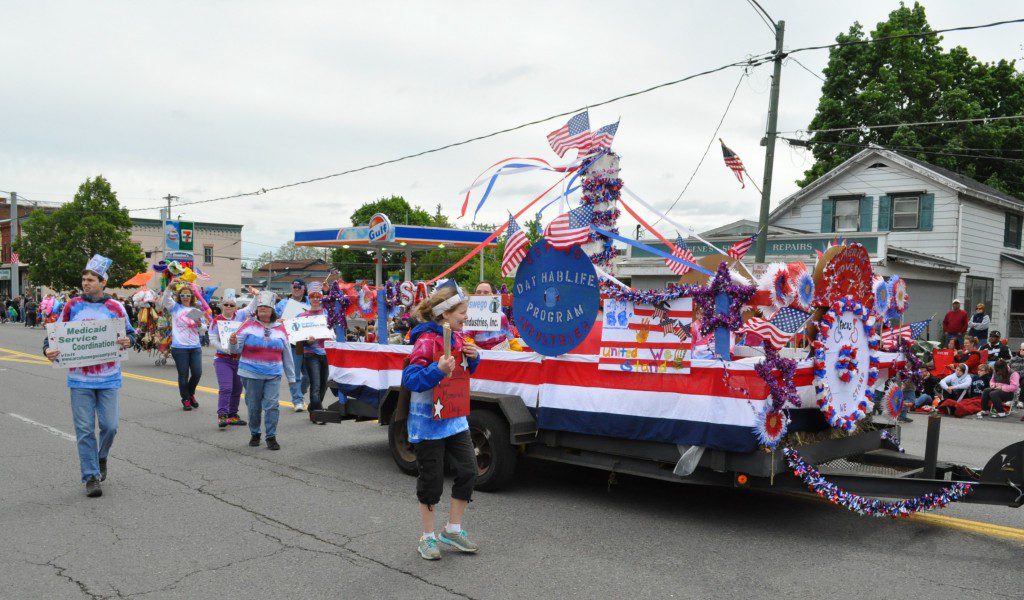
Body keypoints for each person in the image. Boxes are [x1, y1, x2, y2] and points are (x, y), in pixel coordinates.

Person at [42, 255, 135, 497]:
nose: (86, 283)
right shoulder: (72, 305)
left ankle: (101, 457)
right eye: (84, 279)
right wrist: (47, 350)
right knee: (84, 429)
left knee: (110, 426)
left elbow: (131, 334)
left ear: (103, 282)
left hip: (109, 376)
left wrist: (128, 340)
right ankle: (91, 476)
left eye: (91, 279)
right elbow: (54, 336)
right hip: (80, 379)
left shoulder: (116, 307)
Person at [401, 283, 481, 560]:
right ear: (445, 314)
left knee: (469, 470)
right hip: (428, 423)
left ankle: (453, 529)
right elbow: (410, 380)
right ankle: (428, 536)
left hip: (455, 419)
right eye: (462, 311)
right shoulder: (425, 341)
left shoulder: (459, 339)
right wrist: (437, 369)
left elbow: (460, 375)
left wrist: (474, 359)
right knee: (431, 482)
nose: (466, 317)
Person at [229, 291, 296, 450]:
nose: (262, 309)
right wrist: (232, 342)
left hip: (273, 374)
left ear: (272, 310)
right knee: (254, 406)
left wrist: (292, 378)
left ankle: (271, 436)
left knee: (272, 405)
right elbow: (235, 350)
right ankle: (255, 433)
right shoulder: (247, 324)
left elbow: (287, 354)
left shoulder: (281, 328)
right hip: (250, 373)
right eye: (260, 307)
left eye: (266, 306)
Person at [209, 289, 254, 429]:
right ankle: (222, 415)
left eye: (232, 305)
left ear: (235, 306)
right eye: (226, 304)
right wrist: (225, 348)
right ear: (222, 305)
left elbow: (252, 308)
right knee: (226, 388)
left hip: (238, 359)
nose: (229, 307)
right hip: (223, 359)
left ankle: (233, 415)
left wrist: (256, 295)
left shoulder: (239, 315)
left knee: (237, 389)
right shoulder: (216, 321)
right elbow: (212, 339)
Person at [161, 280, 207, 411]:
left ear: (192, 297)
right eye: (183, 295)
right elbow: (166, 299)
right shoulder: (175, 308)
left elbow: (203, 329)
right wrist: (170, 287)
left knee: (197, 373)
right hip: (179, 347)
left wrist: (200, 325)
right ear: (179, 297)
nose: (185, 297)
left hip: (195, 346)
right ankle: (185, 399)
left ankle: (190, 393)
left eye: (188, 295)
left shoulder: (195, 310)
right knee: (183, 374)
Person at [297, 282, 331, 417]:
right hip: (311, 354)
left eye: (318, 296)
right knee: (315, 385)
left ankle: (313, 407)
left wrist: (328, 291)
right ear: (308, 299)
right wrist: (306, 340)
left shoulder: (327, 312)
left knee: (324, 385)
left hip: (327, 353)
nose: (315, 299)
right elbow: (297, 339)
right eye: (312, 297)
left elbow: (335, 306)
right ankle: (317, 413)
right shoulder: (302, 316)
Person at [276, 279, 310, 412]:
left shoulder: (310, 301)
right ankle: (298, 400)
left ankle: (299, 393)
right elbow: (273, 320)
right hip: (291, 343)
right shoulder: (282, 304)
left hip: (308, 343)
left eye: (299, 286)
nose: (296, 288)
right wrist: (279, 320)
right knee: (294, 375)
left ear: (304, 288)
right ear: (291, 287)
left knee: (309, 375)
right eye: (294, 286)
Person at [464, 281, 517, 350]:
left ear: (493, 295)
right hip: (480, 357)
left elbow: (511, 339)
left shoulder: (502, 316)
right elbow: (465, 338)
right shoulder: (469, 317)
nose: (482, 295)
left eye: (486, 292)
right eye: (478, 292)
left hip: (502, 355)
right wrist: (480, 351)